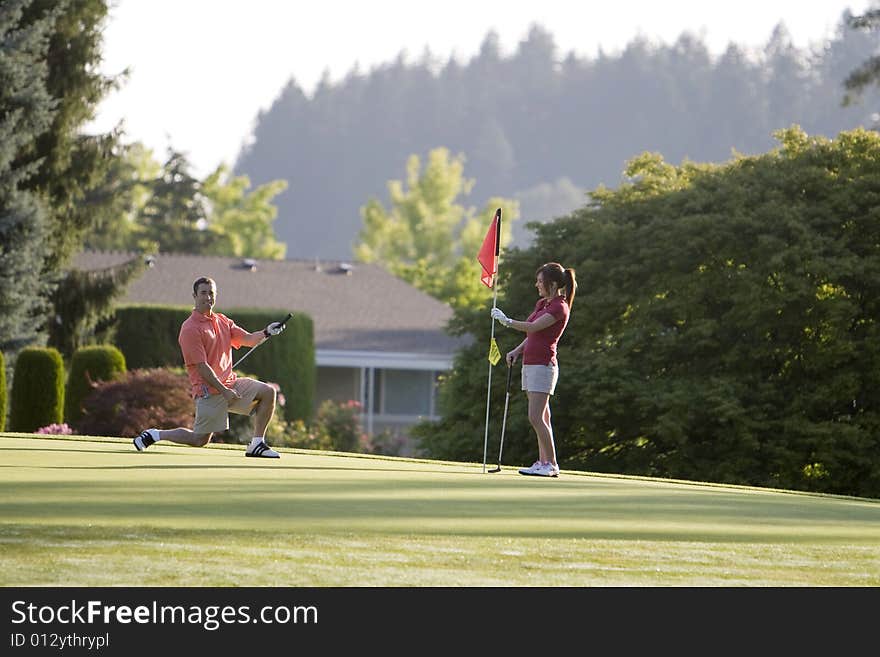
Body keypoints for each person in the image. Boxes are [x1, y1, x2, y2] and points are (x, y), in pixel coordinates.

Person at [133, 276, 286, 458]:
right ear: (195, 296)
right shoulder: (190, 328)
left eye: (211, 293)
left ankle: (256, 444)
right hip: (209, 390)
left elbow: (248, 339)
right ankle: (155, 434)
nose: (208, 297)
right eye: (203, 293)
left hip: (231, 384)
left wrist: (267, 332)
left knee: (268, 392)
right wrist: (224, 391)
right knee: (200, 440)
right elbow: (202, 367)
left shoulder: (222, 321)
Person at [491, 262, 577, 477]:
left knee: (535, 417)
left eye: (541, 281)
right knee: (543, 417)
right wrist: (517, 351)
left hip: (543, 365)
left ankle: (552, 465)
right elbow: (532, 336)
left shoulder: (560, 307)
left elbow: (533, 327)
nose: (537, 284)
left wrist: (507, 321)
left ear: (553, 283)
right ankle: (543, 461)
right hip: (530, 363)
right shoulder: (543, 304)